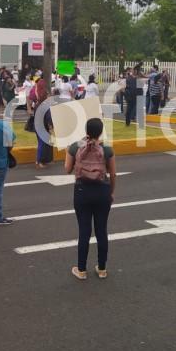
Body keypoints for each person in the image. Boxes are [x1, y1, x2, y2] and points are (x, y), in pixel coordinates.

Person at [65, 118, 116, 280]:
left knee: (84, 231)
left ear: (86, 130)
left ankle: (81, 270)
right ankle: (102, 269)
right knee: (101, 230)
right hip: (102, 192)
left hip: (82, 191)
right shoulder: (107, 149)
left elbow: (67, 169)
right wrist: (111, 192)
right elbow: (113, 173)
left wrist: (68, 152)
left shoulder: (75, 147)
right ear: (101, 131)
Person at [32, 78, 53, 169]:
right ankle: (39, 161)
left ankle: (43, 160)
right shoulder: (45, 105)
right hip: (43, 127)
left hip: (37, 125)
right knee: (42, 144)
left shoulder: (37, 103)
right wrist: (51, 126)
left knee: (43, 143)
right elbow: (48, 117)